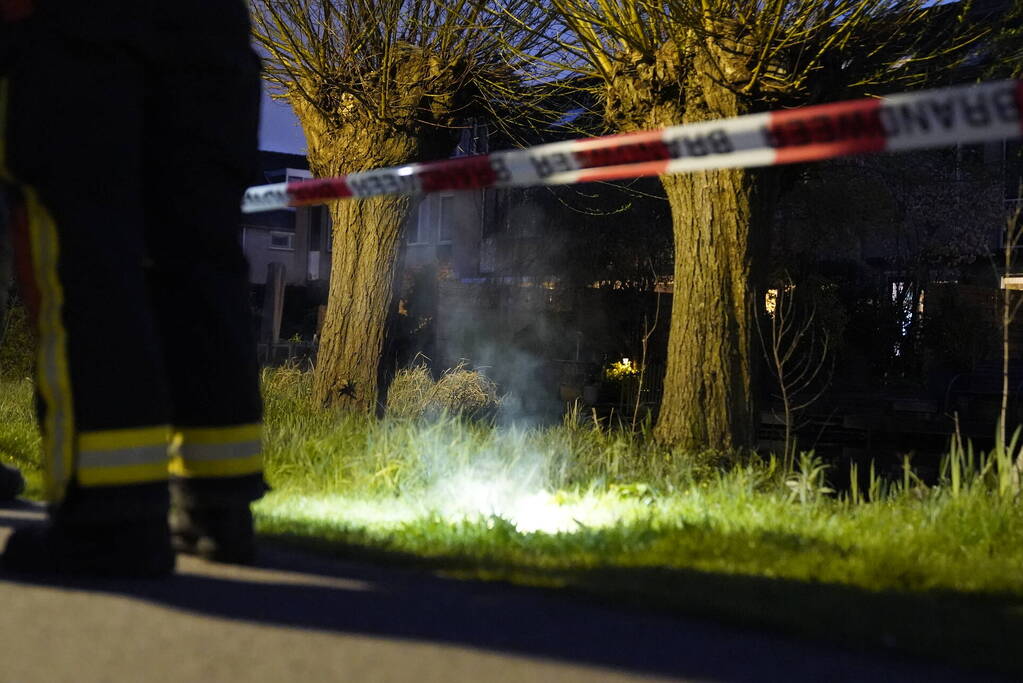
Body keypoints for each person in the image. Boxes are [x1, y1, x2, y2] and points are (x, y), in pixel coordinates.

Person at [0, 0, 266, 576]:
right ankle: (217, 507)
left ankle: (110, 518)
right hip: (210, 29)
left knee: (83, 253)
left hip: (77, 28)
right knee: (200, 252)